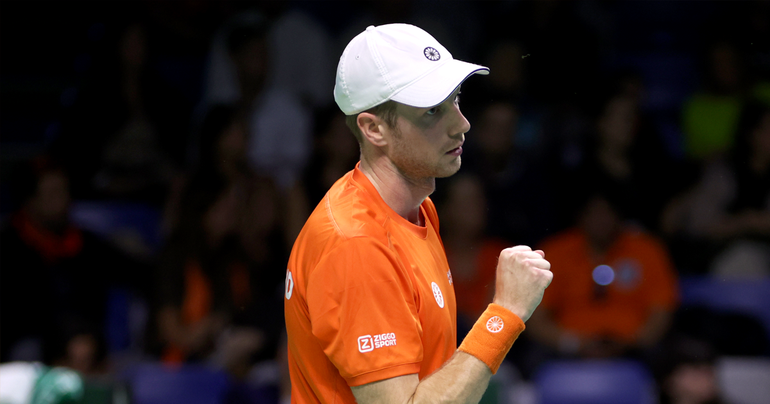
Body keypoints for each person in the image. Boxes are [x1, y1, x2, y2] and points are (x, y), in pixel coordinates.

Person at [284, 23, 553, 403]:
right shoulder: (357, 245)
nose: (462, 124)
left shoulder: (417, 209)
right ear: (373, 128)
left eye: (455, 100)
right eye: (431, 111)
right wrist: (506, 312)